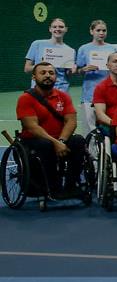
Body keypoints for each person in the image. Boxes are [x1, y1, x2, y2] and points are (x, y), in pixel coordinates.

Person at [17, 63, 87, 195]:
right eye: (43, 73)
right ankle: (53, 187)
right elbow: (32, 127)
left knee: (78, 141)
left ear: (56, 77)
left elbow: (71, 121)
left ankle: (71, 186)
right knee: (46, 145)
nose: (47, 76)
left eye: (51, 73)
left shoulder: (63, 96)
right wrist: (56, 143)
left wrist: (61, 141)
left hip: (60, 139)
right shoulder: (25, 99)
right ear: (34, 77)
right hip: (35, 140)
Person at [76, 19, 115, 135]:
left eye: (104, 30)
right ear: (91, 31)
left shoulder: (112, 49)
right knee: (89, 130)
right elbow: (77, 71)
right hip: (89, 95)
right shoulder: (83, 49)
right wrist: (83, 69)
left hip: (108, 93)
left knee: (109, 127)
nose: (101, 33)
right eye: (98, 30)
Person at [25, 17, 75, 92]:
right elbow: (27, 69)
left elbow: (68, 74)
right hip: (39, 90)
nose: (57, 29)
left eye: (61, 27)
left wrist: (72, 70)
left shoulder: (70, 50)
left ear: (66, 29)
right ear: (50, 29)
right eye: (54, 27)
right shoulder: (37, 44)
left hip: (61, 90)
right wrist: (41, 65)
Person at [91, 52, 117, 129]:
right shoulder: (100, 87)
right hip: (111, 126)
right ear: (108, 65)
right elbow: (100, 114)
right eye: (114, 61)